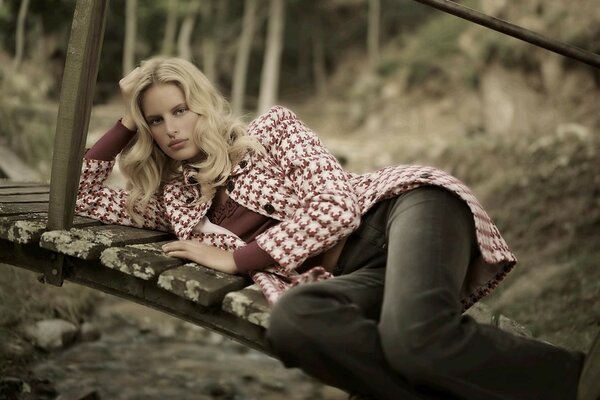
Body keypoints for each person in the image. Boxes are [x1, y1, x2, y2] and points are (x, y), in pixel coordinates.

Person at [76, 56, 599, 400]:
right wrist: (126, 118)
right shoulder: (176, 203)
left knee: (414, 343)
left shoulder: (272, 131)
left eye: (180, 110)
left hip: (400, 212)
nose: (171, 129)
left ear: (203, 107)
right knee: (296, 323)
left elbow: (336, 207)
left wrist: (237, 260)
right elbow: (82, 194)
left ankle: (578, 378)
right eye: (156, 120)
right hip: (352, 272)